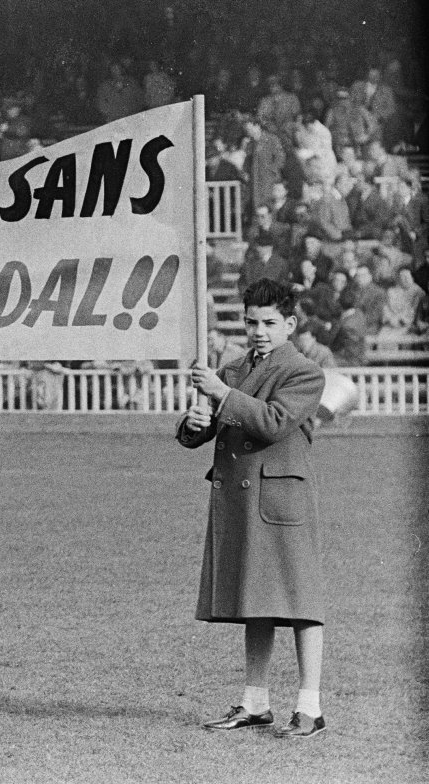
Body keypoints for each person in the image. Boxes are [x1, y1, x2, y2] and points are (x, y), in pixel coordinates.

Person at [180, 278, 328, 739]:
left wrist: (222, 397)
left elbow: (273, 422)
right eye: (250, 322)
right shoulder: (232, 368)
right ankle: (256, 700)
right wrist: (195, 420)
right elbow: (194, 436)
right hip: (244, 499)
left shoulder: (304, 371)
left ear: (289, 323)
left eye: (268, 323)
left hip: (281, 501)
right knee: (256, 601)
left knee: (302, 602)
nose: (258, 331)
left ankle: (310, 707)